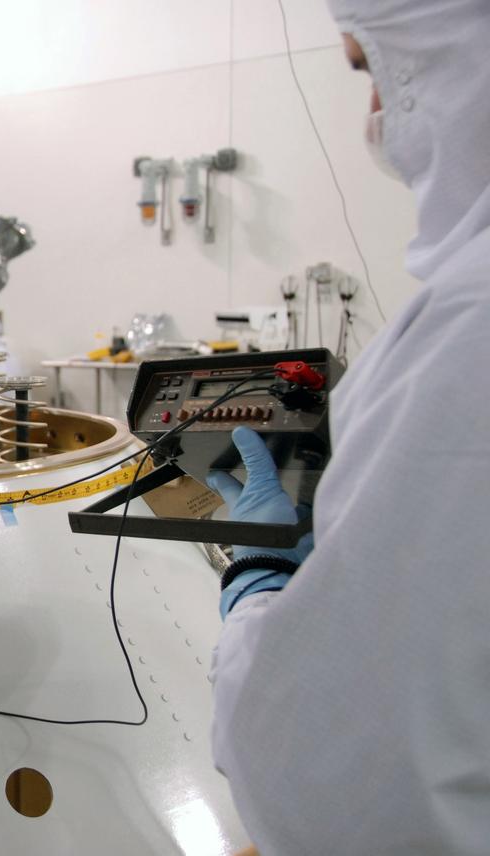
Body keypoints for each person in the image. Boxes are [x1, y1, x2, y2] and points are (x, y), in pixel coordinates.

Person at [209, 1, 490, 852]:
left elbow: (335, 769)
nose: (373, 117)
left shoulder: (472, 324)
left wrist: (258, 576)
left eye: (371, 70)